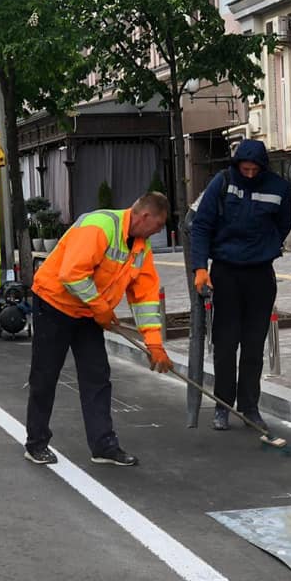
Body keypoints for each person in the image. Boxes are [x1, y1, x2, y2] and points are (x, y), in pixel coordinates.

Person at [24, 192, 174, 466]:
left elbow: (145, 296)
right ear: (144, 216)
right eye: (159, 225)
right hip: (53, 304)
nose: (160, 231)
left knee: (97, 377)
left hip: (88, 312)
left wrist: (154, 343)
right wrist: (100, 307)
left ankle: (103, 445)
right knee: (45, 376)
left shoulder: (141, 245)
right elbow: (71, 274)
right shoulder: (99, 226)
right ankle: (36, 443)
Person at [190, 139, 291, 432]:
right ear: (237, 166)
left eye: (254, 170)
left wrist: (265, 246)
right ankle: (222, 406)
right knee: (225, 344)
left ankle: (250, 407)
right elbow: (201, 226)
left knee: (252, 346)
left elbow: (284, 224)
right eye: (244, 169)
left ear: (263, 167)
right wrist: (200, 268)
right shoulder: (222, 183)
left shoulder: (280, 188)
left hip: (260, 275)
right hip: (226, 273)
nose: (249, 174)